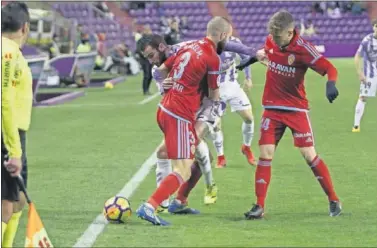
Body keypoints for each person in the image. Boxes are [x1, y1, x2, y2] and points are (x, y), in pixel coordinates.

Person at [237, 10, 342, 219]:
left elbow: (330, 68)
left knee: (309, 155)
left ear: (290, 32)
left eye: (278, 37)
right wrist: (248, 62)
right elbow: (264, 52)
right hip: (272, 108)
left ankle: (333, 199)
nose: (274, 40)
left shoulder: (303, 49)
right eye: (272, 36)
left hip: (296, 109)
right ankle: (259, 206)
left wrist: (331, 84)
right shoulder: (272, 40)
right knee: (265, 154)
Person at [136, 16, 233, 226]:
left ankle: (179, 202)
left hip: (166, 109)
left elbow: (161, 70)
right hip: (179, 115)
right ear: (223, 35)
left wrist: (165, 84)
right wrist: (214, 114)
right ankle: (151, 206)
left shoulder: (190, 46)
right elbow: (214, 94)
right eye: (229, 37)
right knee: (184, 169)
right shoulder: (212, 57)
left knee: (174, 154)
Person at [1, 2, 33, 246]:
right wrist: (15, 151)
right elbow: (5, 103)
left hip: (13, 133)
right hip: (8, 134)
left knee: (19, 198)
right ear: (25, 27)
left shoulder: (9, 51)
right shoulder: (8, 53)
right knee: (6, 203)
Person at [211, 36, 256, 168]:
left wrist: (248, 77)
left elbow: (246, 58)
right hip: (216, 90)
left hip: (233, 86)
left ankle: (246, 147)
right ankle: (221, 157)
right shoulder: (209, 45)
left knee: (249, 118)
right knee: (216, 125)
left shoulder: (234, 42)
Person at [352, 19, 377, 132]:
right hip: (369, 75)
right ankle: (356, 125)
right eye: (376, 26)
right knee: (363, 97)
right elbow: (357, 56)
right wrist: (360, 73)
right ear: (373, 27)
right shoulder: (367, 40)